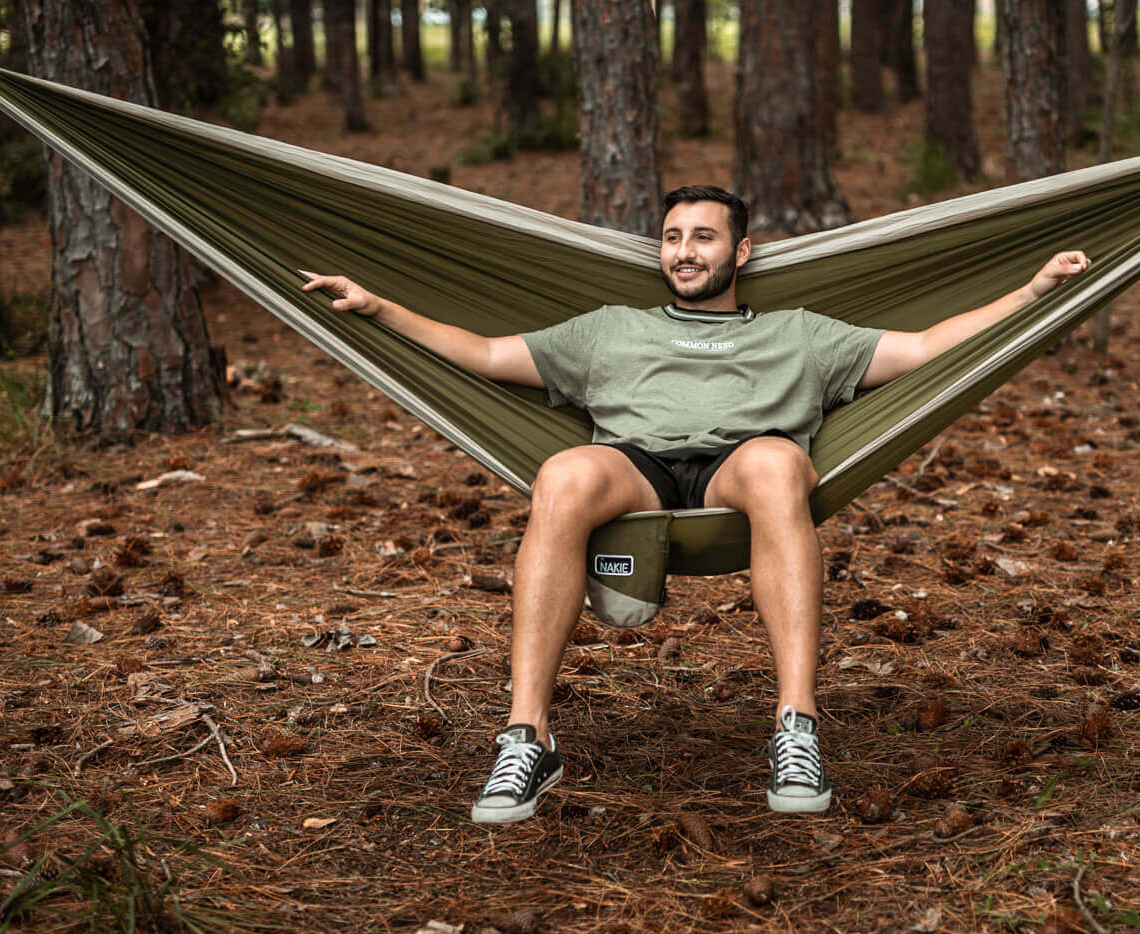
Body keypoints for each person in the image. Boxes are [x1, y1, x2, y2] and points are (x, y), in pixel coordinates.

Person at [302, 186, 1088, 824]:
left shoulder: (801, 334)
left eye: (704, 238)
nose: (685, 252)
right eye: (673, 237)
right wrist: (376, 308)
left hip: (740, 468)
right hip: (636, 468)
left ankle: (796, 727)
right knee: (563, 474)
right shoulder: (610, 329)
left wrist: (1033, 291)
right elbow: (484, 353)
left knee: (782, 465)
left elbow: (922, 349)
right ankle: (527, 735)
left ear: (741, 251)